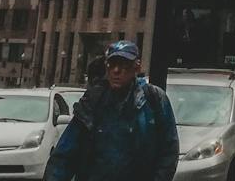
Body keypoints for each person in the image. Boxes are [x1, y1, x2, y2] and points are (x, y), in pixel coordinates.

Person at [45, 40, 178, 181]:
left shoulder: (153, 99)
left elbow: (169, 151)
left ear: (136, 68)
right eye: (112, 65)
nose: (116, 70)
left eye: (123, 65)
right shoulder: (93, 101)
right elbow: (66, 153)